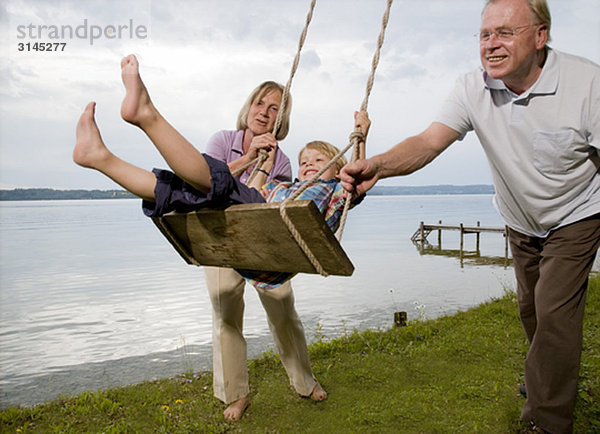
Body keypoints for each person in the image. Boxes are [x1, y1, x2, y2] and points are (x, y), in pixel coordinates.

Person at [339, 0, 600, 432]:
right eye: (484, 35)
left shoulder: (587, 84)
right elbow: (428, 142)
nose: (491, 45)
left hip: (576, 214)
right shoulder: (471, 88)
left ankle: (546, 420)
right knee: (531, 310)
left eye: (505, 33)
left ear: (540, 36)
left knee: (555, 315)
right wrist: (378, 166)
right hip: (521, 219)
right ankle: (544, 377)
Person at [73, 54, 370, 421]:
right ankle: (235, 393)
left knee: (283, 312)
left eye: (274, 108)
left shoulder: (287, 163)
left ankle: (304, 382)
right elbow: (207, 184)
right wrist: (248, 158)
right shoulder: (224, 140)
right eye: (259, 103)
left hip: (266, 242)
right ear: (248, 107)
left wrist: (269, 163)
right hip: (220, 234)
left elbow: (285, 197)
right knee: (225, 310)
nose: (264, 112)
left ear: (282, 120)